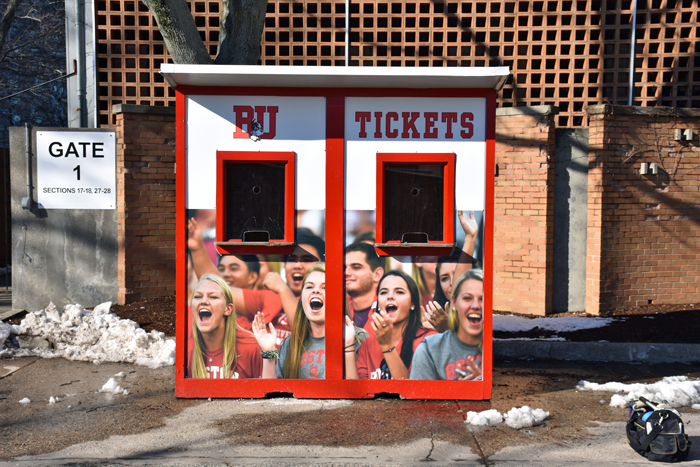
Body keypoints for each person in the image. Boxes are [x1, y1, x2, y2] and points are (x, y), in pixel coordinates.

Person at [352, 270, 437, 380]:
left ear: (413, 304)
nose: (390, 296)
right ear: (378, 304)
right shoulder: (367, 345)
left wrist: (387, 346)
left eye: (399, 292)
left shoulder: (429, 340)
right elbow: (359, 393)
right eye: (383, 292)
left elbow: (414, 392)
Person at [252, 264, 327, 379]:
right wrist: (268, 352)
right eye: (309, 287)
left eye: (324, 287)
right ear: (301, 299)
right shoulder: (289, 343)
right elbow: (273, 392)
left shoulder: (352, 337)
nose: (316, 291)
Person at [409, 269, 484, 381]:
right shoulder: (428, 350)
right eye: (467, 298)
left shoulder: (499, 350)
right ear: (454, 302)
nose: (475, 305)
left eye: (482, 299)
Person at [187, 274, 262, 379]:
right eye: (198, 296)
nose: (203, 301)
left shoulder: (253, 348)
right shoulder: (186, 352)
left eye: (213, 297)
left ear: (228, 309)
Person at [422, 210, 479, 333]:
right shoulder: (431, 323)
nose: (452, 282)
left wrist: (470, 237)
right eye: (444, 278)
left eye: (457, 273)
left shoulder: (480, 312)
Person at [345, 242, 384, 330]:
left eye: (356, 267)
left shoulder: (390, 309)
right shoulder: (337, 309)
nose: (346, 273)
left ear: (377, 274)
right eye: (343, 268)